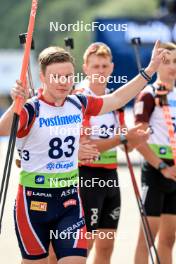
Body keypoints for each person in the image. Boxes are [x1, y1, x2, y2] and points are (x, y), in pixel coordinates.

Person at [0, 41, 167, 264]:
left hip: (69, 201)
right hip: (34, 204)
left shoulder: (77, 103)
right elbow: (3, 129)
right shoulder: (32, 108)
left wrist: (150, 70)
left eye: (68, 76)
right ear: (43, 77)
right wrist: (16, 104)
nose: (63, 82)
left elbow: (117, 99)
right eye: (56, 77)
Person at [72, 42, 151, 264]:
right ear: (85, 68)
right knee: (84, 245)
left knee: (107, 245)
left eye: (104, 66)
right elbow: (87, 147)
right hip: (86, 176)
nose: (100, 71)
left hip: (110, 177)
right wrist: (123, 138)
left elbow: (125, 145)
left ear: (112, 67)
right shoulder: (80, 99)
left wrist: (137, 138)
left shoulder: (114, 100)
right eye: (95, 66)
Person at [134, 42, 176, 264]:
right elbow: (137, 140)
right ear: (158, 63)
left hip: (175, 173)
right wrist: (162, 167)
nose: (172, 67)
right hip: (156, 171)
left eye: (175, 61)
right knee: (147, 240)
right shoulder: (148, 95)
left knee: (168, 240)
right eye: (166, 61)